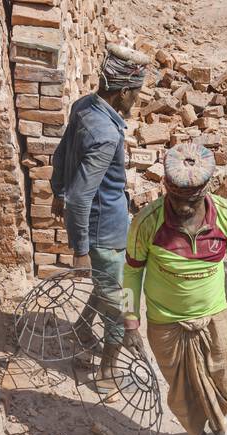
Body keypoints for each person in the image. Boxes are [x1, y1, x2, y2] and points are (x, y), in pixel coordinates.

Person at [122, 143, 227, 435]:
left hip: (214, 317)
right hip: (166, 323)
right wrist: (130, 319)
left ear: (206, 190)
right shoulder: (147, 222)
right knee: (182, 388)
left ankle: (224, 430)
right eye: (177, 199)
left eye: (192, 199)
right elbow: (131, 273)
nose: (184, 207)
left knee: (225, 379)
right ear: (166, 190)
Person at [50, 44, 152, 389]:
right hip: (103, 231)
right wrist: (79, 249)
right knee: (119, 299)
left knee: (108, 283)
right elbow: (81, 195)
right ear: (123, 92)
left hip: (107, 221)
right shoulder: (106, 135)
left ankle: (81, 326)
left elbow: (61, 154)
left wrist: (56, 191)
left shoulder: (84, 105)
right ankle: (108, 371)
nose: (136, 100)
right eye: (135, 94)